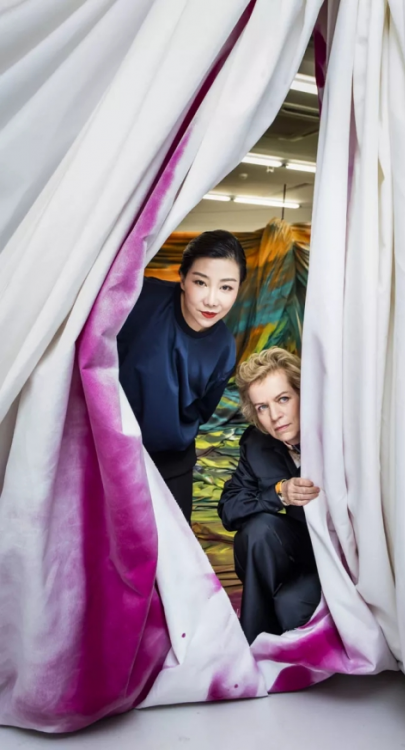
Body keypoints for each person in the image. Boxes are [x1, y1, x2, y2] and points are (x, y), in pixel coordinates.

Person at [118, 230, 246, 524]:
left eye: (226, 288)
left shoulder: (224, 347)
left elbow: (202, 411)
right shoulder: (140, 300)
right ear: (182, 278)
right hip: (113, 450)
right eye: (201, 282)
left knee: (174, 544)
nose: (212, 300)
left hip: (172, 461)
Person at [218, 347, 322, 644]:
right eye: (262, 407)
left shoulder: (336, 431)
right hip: (299, 551)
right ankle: (254, 639)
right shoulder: (257, 444)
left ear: (303, 394)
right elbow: (229, 509)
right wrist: (280, 493)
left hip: (346, 557)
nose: (275, 416)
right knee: (257, 531)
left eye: (283, 399)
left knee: (291, 608)